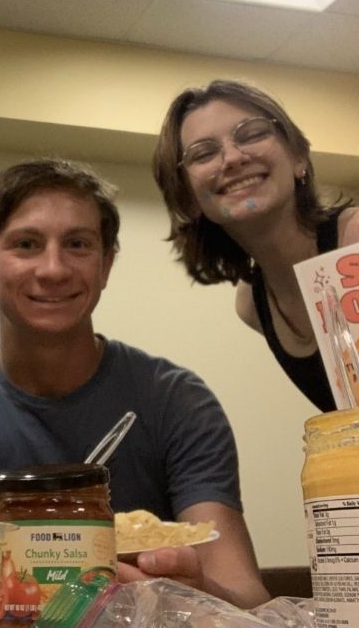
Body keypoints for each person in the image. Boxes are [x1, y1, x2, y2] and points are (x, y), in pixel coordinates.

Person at [0, 158, 270, 609]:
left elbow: (249, 598)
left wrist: (195, 593)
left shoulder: (176, 401)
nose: (54, 269)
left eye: (78, 244)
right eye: (26, 244)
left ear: (106, 265)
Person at [152, 80, 359, 413]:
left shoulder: (355, 240)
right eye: (204, 153)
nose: (233, 158)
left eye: (252, 134)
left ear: (298, 158)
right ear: (188, 198)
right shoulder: (252, 306)